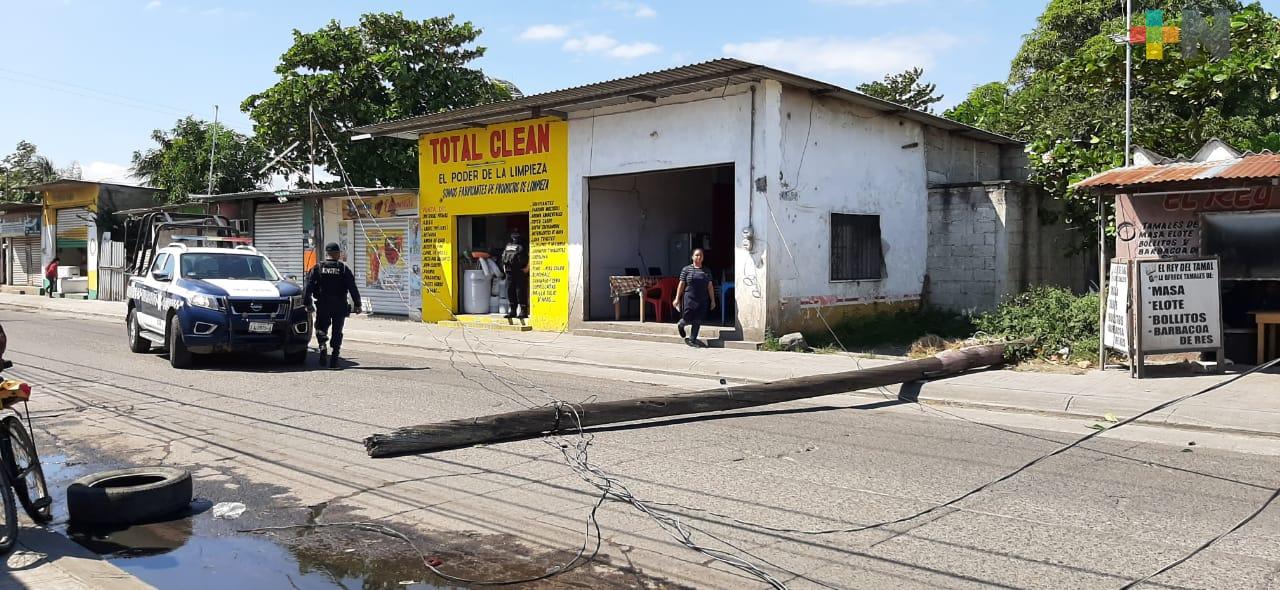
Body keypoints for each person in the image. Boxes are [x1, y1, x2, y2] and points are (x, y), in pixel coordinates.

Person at [304, 243, 361, 369]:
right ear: (336, 254)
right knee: (337, 331)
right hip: (340, 305)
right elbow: (352, 287)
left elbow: (308, 287)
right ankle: (334, 358)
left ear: (327, 253)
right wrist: (357, 304)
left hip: (323, 304)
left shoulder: (318, 268)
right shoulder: (343, 269)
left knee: (320, 327)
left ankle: (322, 345)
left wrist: (307, 303)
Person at [673, 248, 716, 347]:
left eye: (701, 255)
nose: (699, 257)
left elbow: (710, 286)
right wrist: (677, 298)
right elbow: (681, 284)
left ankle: (692, 339)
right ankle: (681, 325)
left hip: (702, 299)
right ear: (692, 257)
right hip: (689, 298)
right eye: (696, 255)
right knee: (687, 317)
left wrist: (713, 300)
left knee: (698, 319)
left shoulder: (706, 271)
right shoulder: (686, 269)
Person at [501, 230, 530, 319]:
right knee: (511, 291)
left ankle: (523, 311)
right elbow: (504, 256)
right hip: (510, 271)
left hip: (519, 270)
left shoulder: (524, 245)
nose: (515, 237)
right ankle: (512, 310)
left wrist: (527, 268)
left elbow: (531, 255)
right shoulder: (508, 245)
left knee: (520, 291)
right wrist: (504, 267)